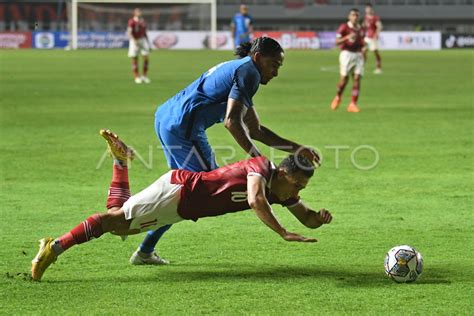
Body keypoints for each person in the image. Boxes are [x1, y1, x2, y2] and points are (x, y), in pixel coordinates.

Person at [31, 130, 333, 281]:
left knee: (122, 225)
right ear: (283, 173)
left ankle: (120, 161)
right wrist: (282, 232)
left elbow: (306, 217)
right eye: (296, 184)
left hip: (181, 207)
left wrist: (318, 218)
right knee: (116, 223)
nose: (298, 190)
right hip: (179, 191)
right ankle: (54, 247)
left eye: (302, 188)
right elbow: (255, 198)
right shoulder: (261, 166)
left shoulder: (283, 192)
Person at [133, 36, 320, 266]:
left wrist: (298, 148)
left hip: (167, 119)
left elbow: (256, 130)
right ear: (258, 58)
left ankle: (143, 247)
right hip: (184, 128)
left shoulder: (243, 71)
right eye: (274, 65)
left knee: (181, 192)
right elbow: (231, 122)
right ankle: (128, 220)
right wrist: (257, 160)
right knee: (199, 193)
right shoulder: (249, 73)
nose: (275, 72)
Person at [330, 8, 366, 113]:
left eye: (357, 15)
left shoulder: (361, 29)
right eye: (353, 15)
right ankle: (338, 96)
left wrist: (364, 48)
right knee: (344, 79)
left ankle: (353, 104)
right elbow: (337, 42)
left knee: (357, 78)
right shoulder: (344, 27)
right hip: (346, 54)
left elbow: (362, 42)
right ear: (349, 17)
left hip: (358, 55)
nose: (355, 17)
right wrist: (347, 37)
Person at [127, 8, 151, 84]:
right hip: (134, 40)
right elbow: (129, 32)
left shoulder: (143, 21)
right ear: (134, 13)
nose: (139, 13)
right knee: (134, 58)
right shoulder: (132, 21)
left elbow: (145, 32)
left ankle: (144, 76)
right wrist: (134, 41)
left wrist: (148, 43)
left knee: (146, 57)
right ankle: (137, 77)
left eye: (140, 11)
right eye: (137, 12)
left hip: (142, 40)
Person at [363, 3, 382, 74]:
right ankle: (361, 67)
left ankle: (378, 68)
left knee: (375, 53)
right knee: (363, 51)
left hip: (373, 38)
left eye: (369, 9)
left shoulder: (375, 17)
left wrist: (376, 35)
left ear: (371, 9)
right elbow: (365, 26)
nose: (368, 10)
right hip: (367, 37)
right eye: (367, 9)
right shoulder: (366, 17)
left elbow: (379, 26)